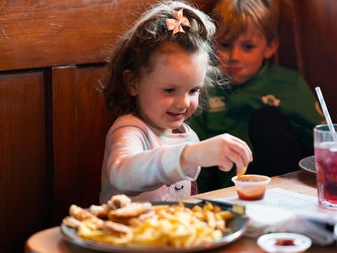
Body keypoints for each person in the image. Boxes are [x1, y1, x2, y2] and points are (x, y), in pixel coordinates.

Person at [99, 1, 252, 203]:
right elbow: (122, 174)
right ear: (133, 83)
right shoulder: (130, 130)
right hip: (123, 232)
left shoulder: (187, 137)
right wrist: (189, 155)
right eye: (170, 90)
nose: (183, 103)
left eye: (193, 90)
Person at [189, 0, 324, 192]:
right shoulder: (203, 89)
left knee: (267, 120)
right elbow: (196, 156)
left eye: (248, 47)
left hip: (283, 186)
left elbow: (321, 144)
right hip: (228, 190)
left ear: (270, 47)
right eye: (225, 45)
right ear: (212, 44)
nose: (235, 55)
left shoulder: (288, 84)